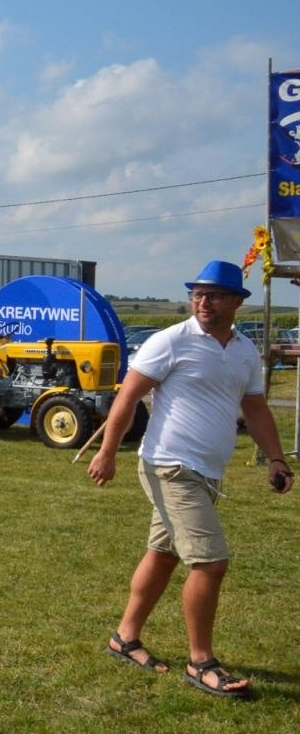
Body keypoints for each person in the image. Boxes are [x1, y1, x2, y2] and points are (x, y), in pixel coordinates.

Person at [88, 261, 293, 697]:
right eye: (197, 293)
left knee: (163, 555)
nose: (203, 301)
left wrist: (276, 458)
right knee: (210, 561)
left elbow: (254, 408)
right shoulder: (170, 341)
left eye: (214, 294)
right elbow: (128, 396)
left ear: (237, 301)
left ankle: (124, 639)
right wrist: (107, 452)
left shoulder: (242, 350)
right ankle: (201, 663)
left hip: (207, 472)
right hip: (169, 465)